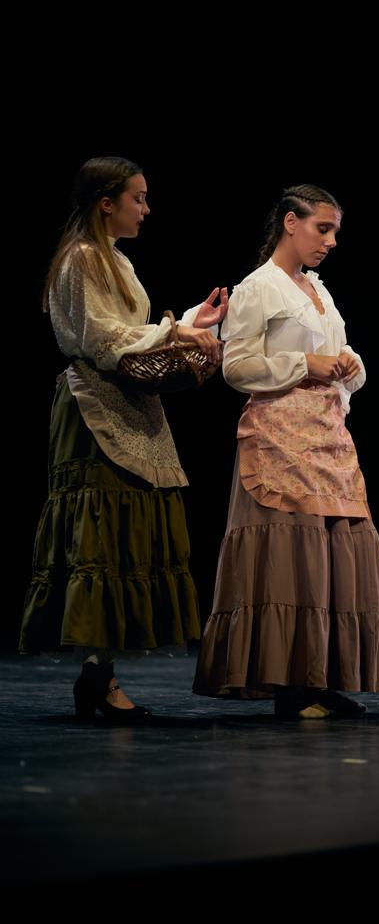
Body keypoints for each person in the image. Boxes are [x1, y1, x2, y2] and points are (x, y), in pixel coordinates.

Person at [20, 156, 227, 721]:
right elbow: (106, 338)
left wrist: (189, 323)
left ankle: (98, 675)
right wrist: (178, 331)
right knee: (100, 538)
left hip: (128, 403)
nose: (145, 207)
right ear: (105, 202)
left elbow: (130, 331)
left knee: (122, 538)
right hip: (95, 408)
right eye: (137, 197)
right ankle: (99, 679)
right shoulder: (83, 258)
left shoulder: (114, 260)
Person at [193, 184, 379, 717]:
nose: (330, 241)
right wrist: (303, 366)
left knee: (332, 555)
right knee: (294, 556)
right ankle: (288, 685)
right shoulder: (259, 287)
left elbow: (336, 349)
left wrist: (350, 364)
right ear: (291, 222)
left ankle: (319, 677)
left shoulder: (316, 288)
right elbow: (236, 367)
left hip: (328, 435)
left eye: (335, 232)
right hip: (279, 437)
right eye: (321, 228)